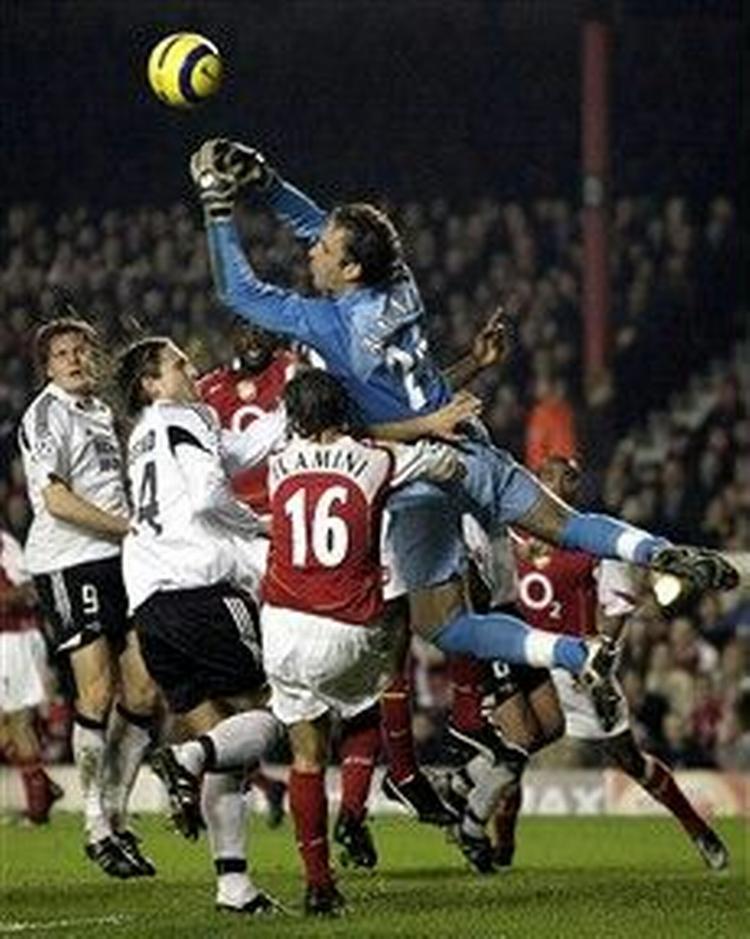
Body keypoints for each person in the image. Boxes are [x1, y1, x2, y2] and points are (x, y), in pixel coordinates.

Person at [188, 139, 738, 703]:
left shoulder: (327, 325)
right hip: (462, 440)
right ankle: (653, 550)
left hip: (411, 476)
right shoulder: (400, 284)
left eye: (324, 249)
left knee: (442, 625)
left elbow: (239, 290)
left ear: (350, 268)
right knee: (567, 525)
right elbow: (321, 229)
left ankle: (576, 653)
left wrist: (219, 204)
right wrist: (269, 184)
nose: (312, 250)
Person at [259, 369, 465, 915]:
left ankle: (318, 884)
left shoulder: (280, 465)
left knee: (305, 757)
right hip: (347, 624)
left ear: (296, 418)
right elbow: (445, 463)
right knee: (370, 713)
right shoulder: (376, 458)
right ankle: (362, 803)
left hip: (281, 624)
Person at [114, 336, 287, 915]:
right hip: (201, 592)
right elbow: (213, 492)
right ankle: (185, 759)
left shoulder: (145, 434)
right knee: (282, 709)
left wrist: (292, 401)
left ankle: (233, 885)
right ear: (150, 383)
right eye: (177, 365)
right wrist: (261, 526)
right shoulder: (181, 418)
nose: (192, 368)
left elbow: (240, 448)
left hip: (152, 607)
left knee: (227, 748)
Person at [492, 456, 729, 871]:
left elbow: (616, 608)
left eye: (567, 477)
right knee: (510, 758)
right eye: (546, 475)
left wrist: (601, 660)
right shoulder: (507, 535)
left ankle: (699, 831)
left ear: (576, 488)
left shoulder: (595, 538)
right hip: (527, 664)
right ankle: (502, 852)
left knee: (630, 760)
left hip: (578, 669)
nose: (555, 482)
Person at [18, 318, 157, 877]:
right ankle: (96, 826)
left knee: (145, 693)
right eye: (62, 354)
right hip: (71, 562)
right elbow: (56, 500)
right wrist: (128, 529)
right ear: (48, 367)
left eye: (81, 350)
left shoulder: (101, 412)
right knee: (97, 693)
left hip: (121, 559)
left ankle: (118, 813)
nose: (74, 360)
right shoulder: (45, 413)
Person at [197, 320, 292, 826]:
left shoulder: (295, 371)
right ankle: (258, 778)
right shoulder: (206, 390)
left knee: (272, 664)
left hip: (283, 526)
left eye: (261, 328)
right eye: (243, 329)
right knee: (223, 667)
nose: (253, 337)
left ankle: (286, 770)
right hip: (232, 535)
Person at [0, 524, 63, 824]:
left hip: (13, 639)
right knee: (6, 725)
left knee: (19, 720)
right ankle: (43, 786)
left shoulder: (4, 543)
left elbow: (29, 589)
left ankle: (38, 804)